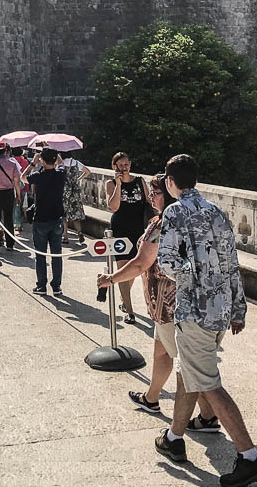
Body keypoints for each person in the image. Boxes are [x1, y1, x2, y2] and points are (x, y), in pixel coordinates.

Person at [155, 154, 257, 486]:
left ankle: (250, 457)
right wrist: (238, 308)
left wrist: (192, 276)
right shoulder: (216, 211)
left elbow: (166, 261)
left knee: (207, 381)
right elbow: (232, 263)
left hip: (194, 309)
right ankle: (174, 437)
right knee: (189, 373)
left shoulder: (174, 212)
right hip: (220, 309)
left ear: (170, 181)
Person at [98, 173, 219, 429]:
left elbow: (142, 262)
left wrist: (111, 278)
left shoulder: (162, 224)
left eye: (155, 192)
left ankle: (207, 416)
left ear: (169, 192)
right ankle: (152, 398)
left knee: (192, 366)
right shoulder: (191, 217)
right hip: (177, 300)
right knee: (161, 350)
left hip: (172, 303)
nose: (150, 196)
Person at [105, 152, 148, 323]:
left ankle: (125, 299)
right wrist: (118, 185)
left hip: (138, 228)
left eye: (126, 164)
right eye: (120, 165)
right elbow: (113, 207)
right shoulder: (111, 183)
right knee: (123, 268)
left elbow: (148, 202)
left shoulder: (140, 181)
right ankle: (129, 312)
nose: (124, 168)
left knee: (137, 268)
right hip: (120, 228)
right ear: (114, 166)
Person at [24, 147, 66, 295]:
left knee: (40, 254)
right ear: (55, 160)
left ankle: (41, 285)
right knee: (57, 255)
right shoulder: (60, 174)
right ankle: (56, 286)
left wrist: (33, 163)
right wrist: (56, 155)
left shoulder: (37, 175)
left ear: (42, 161)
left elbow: (23, 178)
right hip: (56, 218)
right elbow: (62, 165)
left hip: (40, 218)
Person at [59, 151, 91, 245]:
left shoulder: (61, 164)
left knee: (64, 214)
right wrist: (79, 179)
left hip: (64, 191)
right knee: (76, 213)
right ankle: (80, 233)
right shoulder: (76, 162)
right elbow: (87, 171)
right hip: (75, 191)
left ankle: (65, 236)